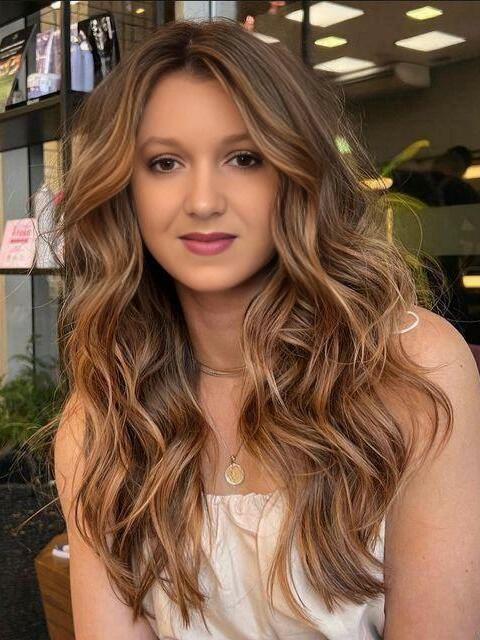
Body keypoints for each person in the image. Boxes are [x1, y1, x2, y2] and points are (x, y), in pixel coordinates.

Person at [41, 18, 480, 640]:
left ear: (294, 173)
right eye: (165, 162)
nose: (203, 201)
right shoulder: (104, 418)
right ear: (125, 191)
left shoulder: (412, 368)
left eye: (244, 158)